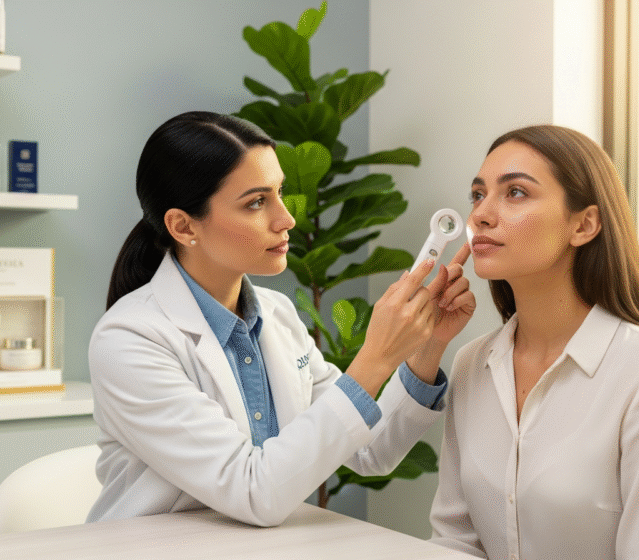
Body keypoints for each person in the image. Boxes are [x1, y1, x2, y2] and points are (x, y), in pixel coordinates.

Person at [85, 111, 475, 527]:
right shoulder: (128, 339)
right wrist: (375, 357)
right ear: (183, 226)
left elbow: (369, 450)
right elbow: (254, 492)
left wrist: (427, 343)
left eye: (279, 193)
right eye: (256, 202)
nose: (286, 218)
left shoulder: (277, 315)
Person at [429, 124, 639, 559]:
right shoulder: (472, 363)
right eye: (478, 195)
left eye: (515, 192)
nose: (480, 215)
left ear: (584, 224)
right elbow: (456, 542)